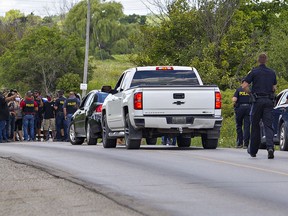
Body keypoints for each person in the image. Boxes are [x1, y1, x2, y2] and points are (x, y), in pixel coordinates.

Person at [242, 53, 277, 159]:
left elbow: (244, 86)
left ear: (258, 61)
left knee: (255, 125)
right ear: (266, 60)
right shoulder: (272, 72)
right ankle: (270, 148)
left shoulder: (254, 72)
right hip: (268, 101)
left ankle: (253, 150)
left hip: (257, 101)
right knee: (268, 126)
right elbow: (274, 88)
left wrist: (251, 93)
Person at [232, 80, 251, 149]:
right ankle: (246, 144)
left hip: (240, 108)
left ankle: (240, 143)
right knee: (247, 126)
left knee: (239, 125)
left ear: (241, 83)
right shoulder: (250, 90)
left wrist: (234, 105)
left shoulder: (239, 90)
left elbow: (234, 99)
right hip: (249, 108)